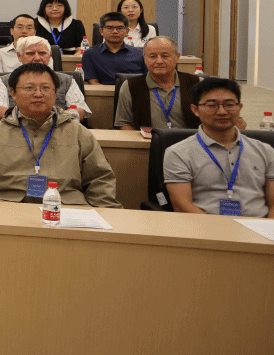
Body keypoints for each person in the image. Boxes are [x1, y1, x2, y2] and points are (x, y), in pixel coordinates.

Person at [0, 62, 119, 207]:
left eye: (45, 88)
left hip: (67, 211)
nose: (38, 94)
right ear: (13, 93)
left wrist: (104, 217)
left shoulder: (79, 133)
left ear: (55, 92)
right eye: (29, 88)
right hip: (8, 210)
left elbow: (100, 180)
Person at [164, 77, 274, 217]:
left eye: (229, 104)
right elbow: (182, 205)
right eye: (212, 105)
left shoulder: (265, 151)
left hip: (258, 226)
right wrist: (217, 229)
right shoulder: (178, 153)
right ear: (195, 110)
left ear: (240, 108)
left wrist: (267, 228)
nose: (222, 111)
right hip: (204, 226)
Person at [0, 36, 90, 121]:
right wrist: (28, 121)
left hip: (58, 129)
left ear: (50, 55)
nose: (37, 58)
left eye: (42, 53)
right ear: (19, 56)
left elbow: (79, 111)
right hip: (16, 130)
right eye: (30, 53)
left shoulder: (67, 81)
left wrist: (48, 121)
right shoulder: (3, 81)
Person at [114, 37, 206, 131]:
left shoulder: (198, 84)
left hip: (191, 140)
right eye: (152, 56)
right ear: (145, 59)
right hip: (147, 140)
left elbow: (210, 121)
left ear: (177, 57)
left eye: (165, 56)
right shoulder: (131, 86)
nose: (159, 61)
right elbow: (123, 123)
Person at [82, 12, 146, 85]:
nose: (115, 31)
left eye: (120, 28)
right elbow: (93, 83)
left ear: (127, 31)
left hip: (133, 91)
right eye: (109, 28)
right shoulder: (90, 54)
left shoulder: (141, 54)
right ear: (101, 31)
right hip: (103, 92)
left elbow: (148, 80)